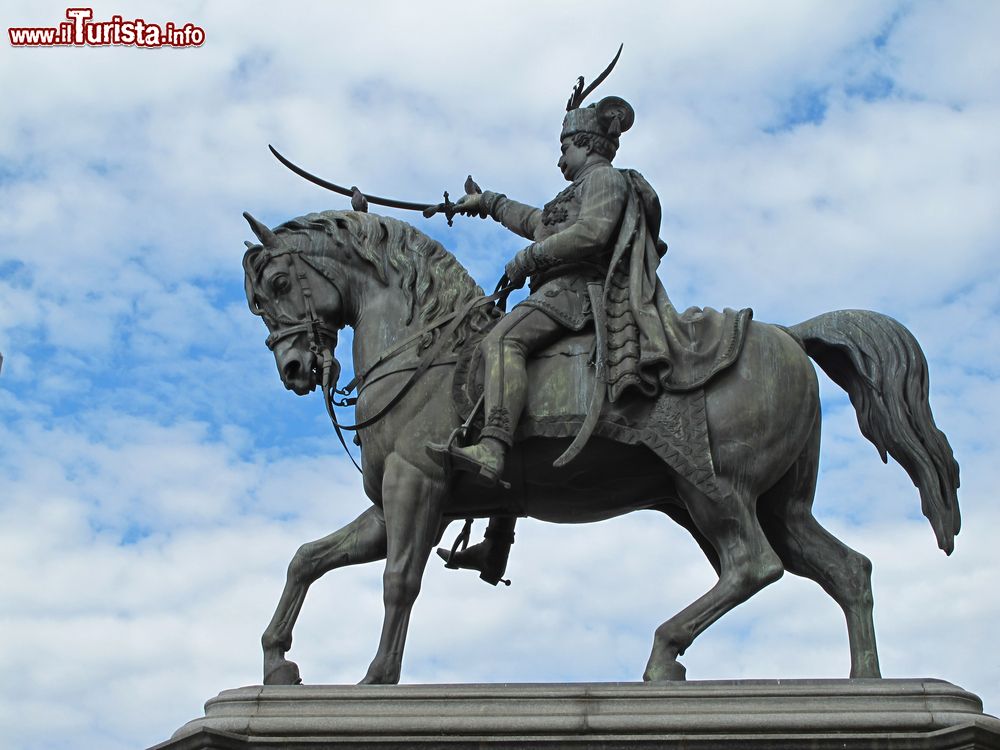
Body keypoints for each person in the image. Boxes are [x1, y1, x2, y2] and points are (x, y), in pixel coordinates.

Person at [428, 95, 749, 585]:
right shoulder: (572, 194)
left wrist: (527, 261)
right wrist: (487, 203)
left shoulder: (604, 181)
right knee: (519, 394)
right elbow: (534, 221)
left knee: (500, 346)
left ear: (585, 143)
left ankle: (491, 449)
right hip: (559, 292)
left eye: (563, 149)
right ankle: (496, 546)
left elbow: (593, 235)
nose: (559, 160)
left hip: (578, 294)